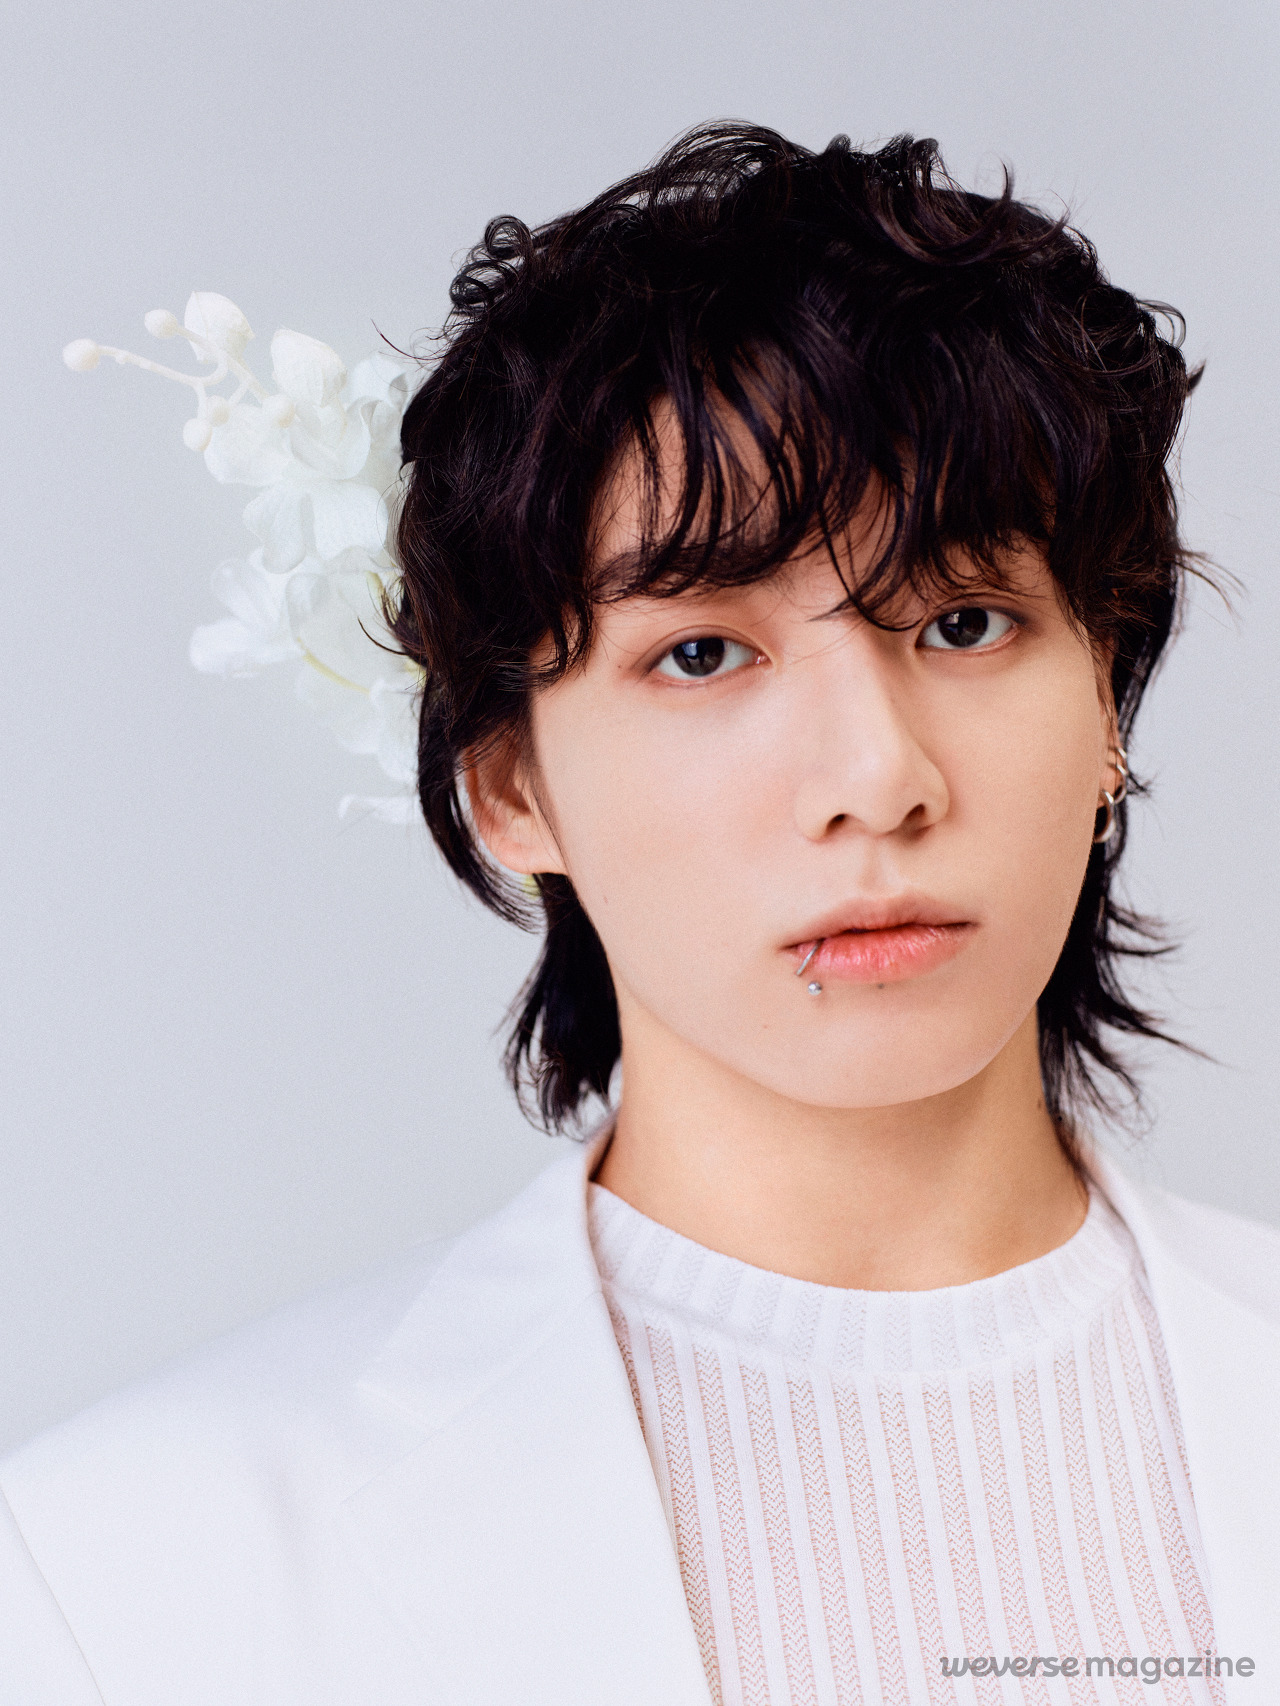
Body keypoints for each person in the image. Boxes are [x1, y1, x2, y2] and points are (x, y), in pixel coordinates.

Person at [3, 123, 1277, 1705]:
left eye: (964, 620)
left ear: (1107, 706)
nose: (876, 779)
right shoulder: (127, 1573)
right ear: (509, 786)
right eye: (702, 654)